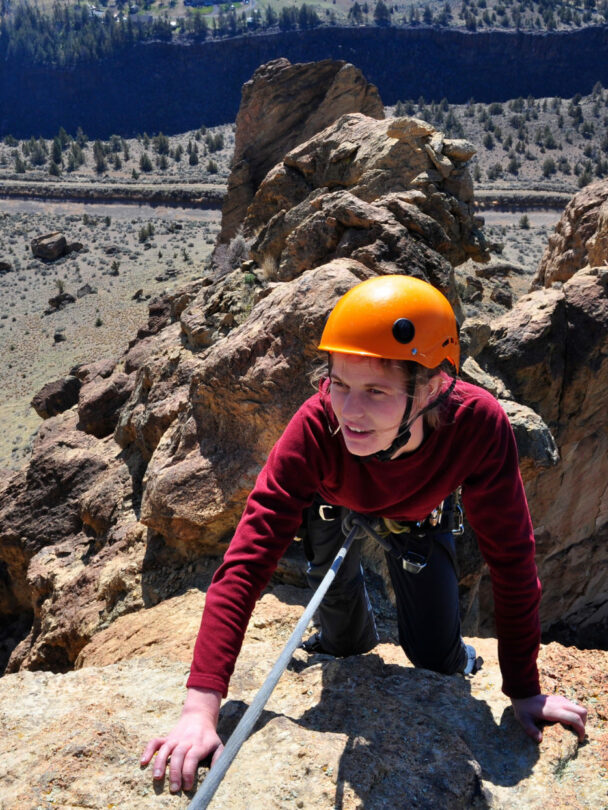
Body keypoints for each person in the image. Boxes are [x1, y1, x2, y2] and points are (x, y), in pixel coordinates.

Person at [141, 274, 587, 793]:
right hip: (333, 506)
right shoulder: (315, 428)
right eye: (339, 384)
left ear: (434, 386)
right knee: (344, 643)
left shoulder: (475, 425)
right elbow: (247, 561)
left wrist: (524, 690)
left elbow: (511, 557)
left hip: (418, 516)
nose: (350, 412)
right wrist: (200, 708)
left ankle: (453, 655)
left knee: (437, 660)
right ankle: (340, 639)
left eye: (376, 390)